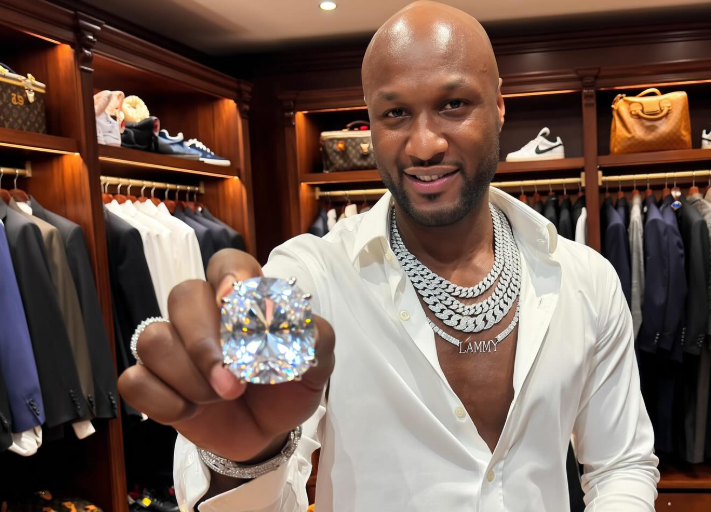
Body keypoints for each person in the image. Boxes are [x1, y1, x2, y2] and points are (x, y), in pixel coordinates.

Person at [118, 2, 660, 511]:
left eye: (453, 104)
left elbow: (621, 464)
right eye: (396, 112)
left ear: (498, 106)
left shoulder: (585, 279)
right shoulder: (313, 276)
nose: (424, 145)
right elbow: (258, 477)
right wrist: (245, 461)